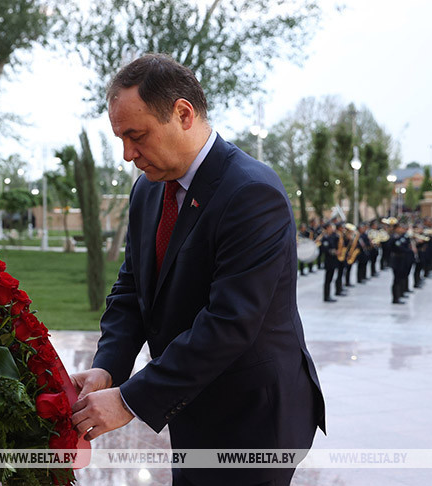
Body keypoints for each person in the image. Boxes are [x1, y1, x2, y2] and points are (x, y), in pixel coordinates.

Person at [70, 54, 325, 485]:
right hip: (194, 403)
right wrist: (108, 368)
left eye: (137, 136)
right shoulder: (149, 190)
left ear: (183, 113)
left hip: (254, 419)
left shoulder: (251, 192)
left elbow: (229, 322)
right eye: (121, 140)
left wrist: (130, 400)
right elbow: (132, 289)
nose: (129, 155)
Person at [321, 221, 338, 302]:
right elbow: (324, 249)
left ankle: (328, 295)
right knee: (327, 280)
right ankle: (326, 296)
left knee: (330, 279)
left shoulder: (333, 236)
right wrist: (333, 251)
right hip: (328, 261)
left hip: (333, 261)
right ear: (327, 228)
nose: (332, 229)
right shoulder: (325, 237)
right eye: (331, 227)